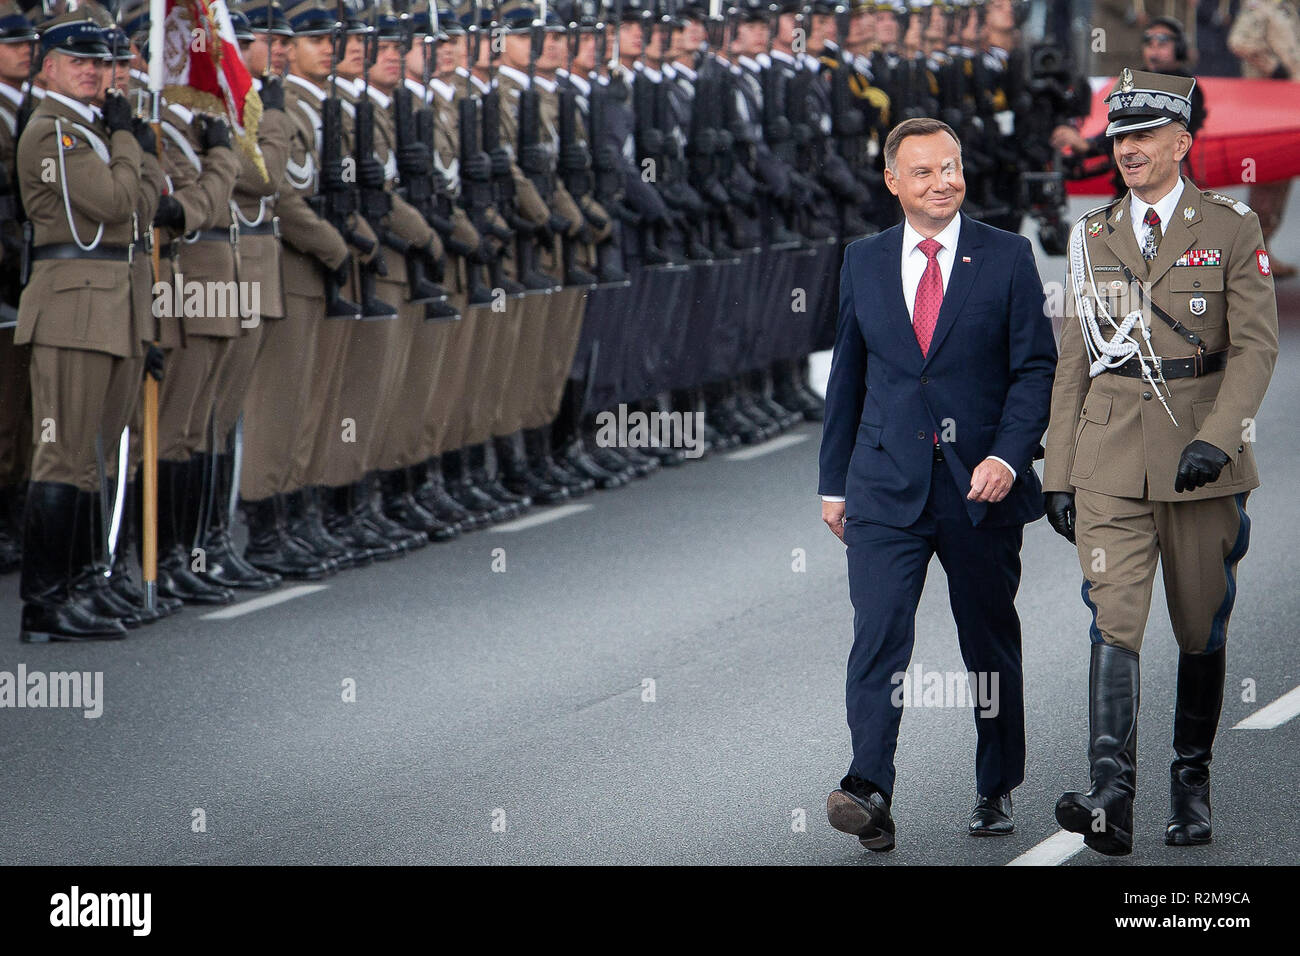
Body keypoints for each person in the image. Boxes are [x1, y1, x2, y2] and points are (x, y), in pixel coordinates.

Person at [1042, 69, 1278, 855]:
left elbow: (1254, 349)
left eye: (1143, 135)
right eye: (1118, 137)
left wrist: (1220, 434)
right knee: (1113, 618)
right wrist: (1057, 469)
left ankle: (1191, 781)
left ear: (1182, 142)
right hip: (1109, 458)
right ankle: (1111, 793)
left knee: (1199, 624)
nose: (1128, 149)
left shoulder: (1232, 226)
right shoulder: (1092, 234)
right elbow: (1072, 363)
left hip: (1201, 456)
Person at [818, 116, 1056, 851]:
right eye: (923, 172)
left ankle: (995, 784)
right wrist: (833, 485)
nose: (943, 181)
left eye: (950, 167)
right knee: (879, 634)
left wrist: (1009, 457)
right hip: (884, 486)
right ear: (893, 181)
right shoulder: (862, 260)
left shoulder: (1008, 256)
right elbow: (849, 380)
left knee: (987, 639)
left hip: (979, 488)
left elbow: (1034, 370)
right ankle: (869, 786)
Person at [1228, 0, 1299, 277]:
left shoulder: (1288, 8)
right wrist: (1272, 67)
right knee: (1267, 184)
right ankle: (1251, 257)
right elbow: (1240, 41)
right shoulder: (1262, 5)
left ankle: (1264, 251)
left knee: (1281, 182)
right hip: (1268, 108)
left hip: (1289, 107)